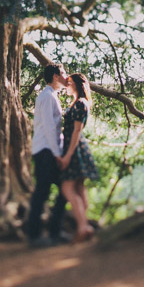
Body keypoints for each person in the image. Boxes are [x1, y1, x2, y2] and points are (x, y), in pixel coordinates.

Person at [26, 64, 69, 248]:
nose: (66, 76)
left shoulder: (52, 96)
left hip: (49, 150)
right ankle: (34, 235)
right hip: (46, 151)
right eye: (63, 73)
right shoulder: (46, 97)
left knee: (65, 188)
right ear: (55, 76)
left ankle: (54, 231)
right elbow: (50, 128)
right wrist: (58, 153)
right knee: (42, 192)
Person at [57, 73, 100, 243]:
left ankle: (83, 226)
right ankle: (84, 225)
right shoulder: (77, 102)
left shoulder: (81, 103)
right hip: (74, 147)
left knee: (67, 188)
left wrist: (67, 155)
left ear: (75, 84)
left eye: (68, 83)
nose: (66, 86)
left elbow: (76, 131)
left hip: (74, 148)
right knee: (79, 188)